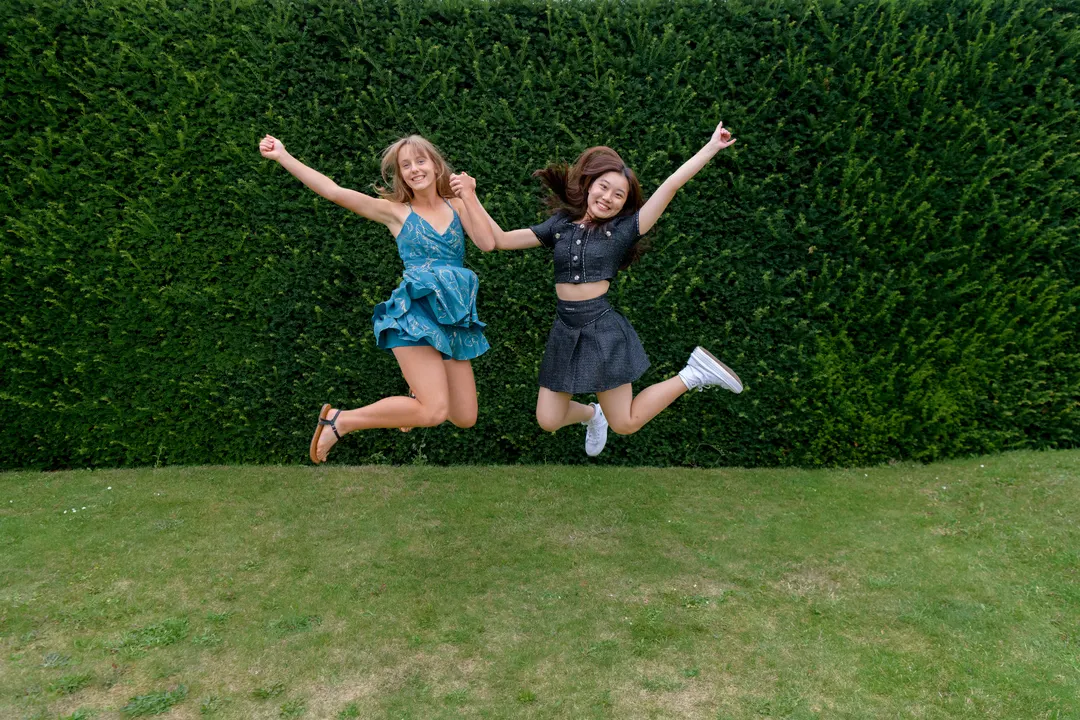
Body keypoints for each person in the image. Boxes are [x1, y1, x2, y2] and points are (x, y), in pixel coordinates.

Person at [452, 122, 742, 457]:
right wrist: (468, 198)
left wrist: (710, 147)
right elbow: (496, 241)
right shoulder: (559, 225)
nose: (608, 197)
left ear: (624, 204)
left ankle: (692, 374)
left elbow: (672, 185)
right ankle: (592, 414)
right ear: (589, 185)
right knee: (548, 419)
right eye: (604, 188)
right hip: (566, 328)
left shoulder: (624, 230)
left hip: (602, 329)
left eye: (618, 195)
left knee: (627, 422)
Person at [259, 134, 495, 463]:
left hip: (453, 317)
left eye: (421, 161)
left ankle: (414, 401)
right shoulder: (396, 213)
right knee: (434, 412)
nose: (415, 169)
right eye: (406, 165)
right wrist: (284, 156)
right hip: (413, 315)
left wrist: (469, 195)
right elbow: (334, 191)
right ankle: (341, 421)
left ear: (436, 165)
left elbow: (486, 242)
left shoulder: (457, 206)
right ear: (400, 175)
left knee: (466, 416)